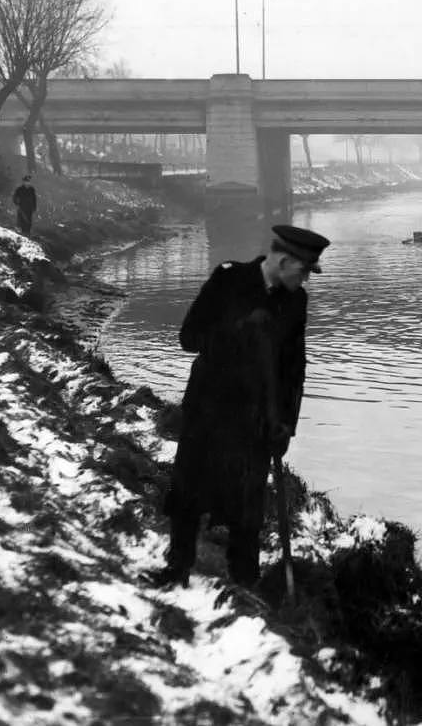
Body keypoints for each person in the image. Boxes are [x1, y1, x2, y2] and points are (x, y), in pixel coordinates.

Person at [149, 224, 330, 588]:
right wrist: (238, 330)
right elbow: (189, 338)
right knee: (188, 492)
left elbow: (295, 369)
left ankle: (245, 585)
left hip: (256, 418)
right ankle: (177, 569)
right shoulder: (227, 280)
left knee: (248, 508)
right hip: (209, 409)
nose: (306, 278)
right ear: (282, 259)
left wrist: (286, 425)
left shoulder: (296, 302)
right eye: (304, 269)